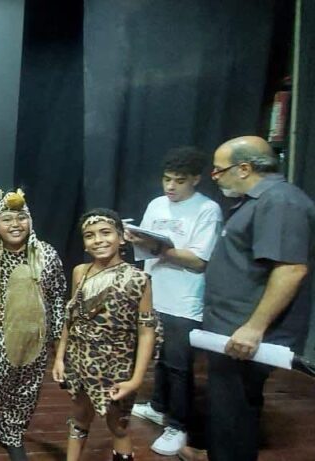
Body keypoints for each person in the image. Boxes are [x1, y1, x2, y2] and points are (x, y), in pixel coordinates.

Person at [198, 136, 315, 461]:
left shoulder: (280, 202)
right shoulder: (257, 201)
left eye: (219, 170)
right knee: (231, 409)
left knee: (233, 413)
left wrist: (254, 328)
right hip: (231, 329)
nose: (214, 177)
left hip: (245, 333)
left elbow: (290, 269)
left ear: (244, 168)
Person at [125, 147, 222, 456]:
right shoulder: (156, 204)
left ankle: (179, 426)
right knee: (160, 357)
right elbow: (144, 247)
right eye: (167, 179)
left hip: (184, 298)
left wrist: (159, 249)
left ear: (196, 179)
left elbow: (199, 260)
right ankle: (158, 406)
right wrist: (135, 239)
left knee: (179, 364)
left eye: (179, 181)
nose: (170, 186)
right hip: (154, 292)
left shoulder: (207, 209)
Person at [0, 189, 67, 461]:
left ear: (30, 221)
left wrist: (57, 338)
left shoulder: (46, 254)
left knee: (26, 389)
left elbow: (58, 295)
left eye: (21, 218)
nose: (15, 224)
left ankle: (12, 433)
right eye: (7, 219)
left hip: (35, 336)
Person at [52, 209, 158, 461]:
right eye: (90, 235)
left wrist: (135, 380)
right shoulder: (80, 272)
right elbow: (71, 316)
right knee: (79, 415)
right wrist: (59, 357)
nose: (98, 240)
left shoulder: (138, 279)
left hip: (116, 365)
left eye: (105, 233)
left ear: (121, 238)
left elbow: (146, 333)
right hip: (80, 361)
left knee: (117, 424)